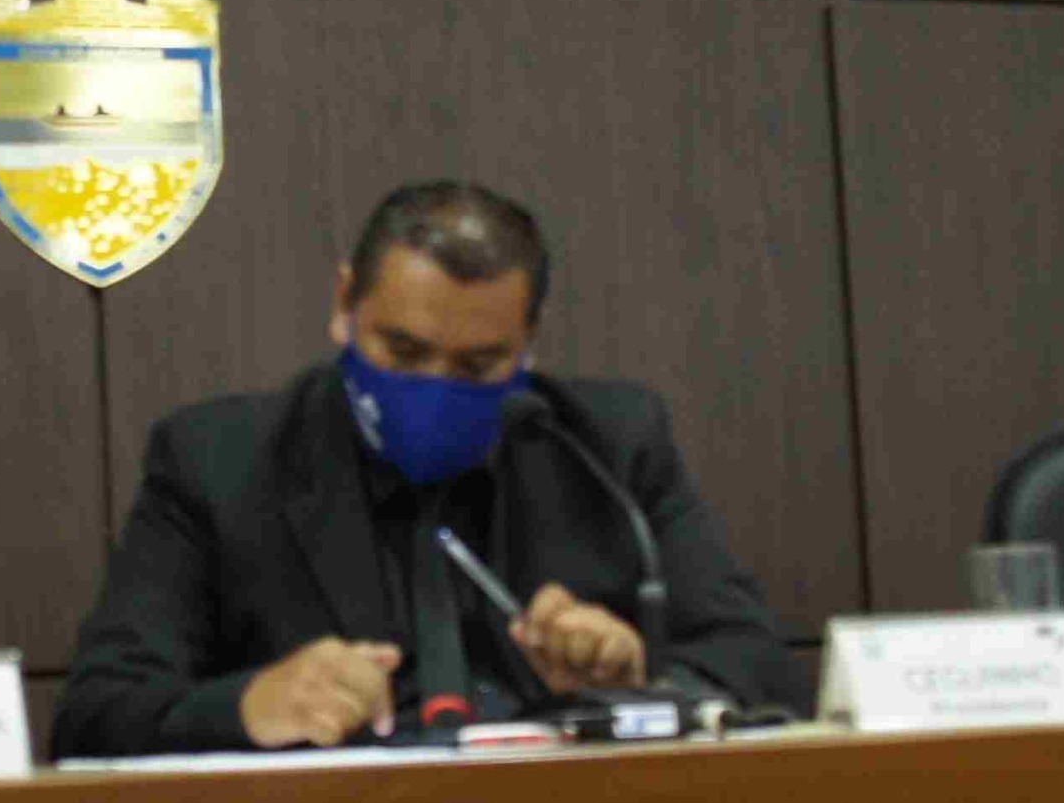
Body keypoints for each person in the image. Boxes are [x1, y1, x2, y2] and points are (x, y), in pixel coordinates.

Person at [55, 181, 794, 757]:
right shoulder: (219, 461)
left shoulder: (608, 445)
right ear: (344, 305)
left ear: (529, 340)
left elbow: (758, 666)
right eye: (404, 353)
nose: (435, 389)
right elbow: (95, 715)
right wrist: (250, 706)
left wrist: (639, 690)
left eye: (479, 365)